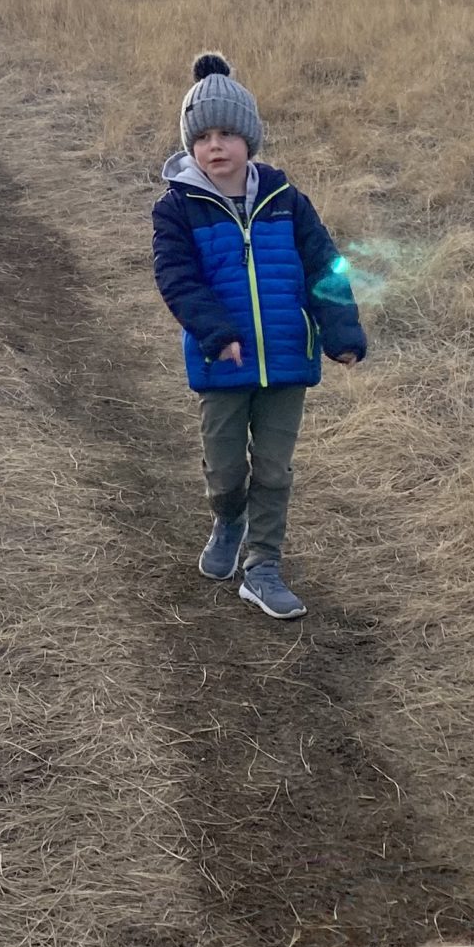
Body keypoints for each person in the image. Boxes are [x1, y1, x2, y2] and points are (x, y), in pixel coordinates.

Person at [151, 50, 365, 620]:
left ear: (250, 139)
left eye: (227, 133)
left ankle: (263, 567)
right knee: (226, 468)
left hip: (288, 359)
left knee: (274, 468)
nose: (214, 146)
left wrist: (340, 330)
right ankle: (228, 519)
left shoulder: (286, 202)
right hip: (221, 363)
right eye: (203, 137)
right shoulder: (178, 209)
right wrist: (215, 333)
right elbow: (177, 279)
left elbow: (326, 267)